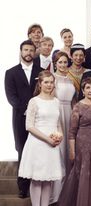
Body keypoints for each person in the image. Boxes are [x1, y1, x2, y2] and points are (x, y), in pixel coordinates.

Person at [58, 77, 91, 206]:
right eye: (87, 88)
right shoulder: (78, 107)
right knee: (84, 176)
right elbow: (72, 132)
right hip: (84, 147)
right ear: (83, 91)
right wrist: (72, 151)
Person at [18, 70, 64, 206]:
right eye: (46, 82)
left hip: (53, 144)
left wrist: (59, 137)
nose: (49, 85)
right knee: (37, 179)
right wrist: (47, 139)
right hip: (38, 143)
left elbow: (58, 124)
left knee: (48, 179)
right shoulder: (34, 101)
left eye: (51, 82)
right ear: (40, 84)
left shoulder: (56, 101)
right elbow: (29, 126)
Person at [4, 40, 42, 198]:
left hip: (40, 118)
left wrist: (36, 111)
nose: (28, 53)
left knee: (39, 150)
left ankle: (39, 184)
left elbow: (45, 91)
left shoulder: (41, 72)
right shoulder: (11, 72)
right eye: (25, 50)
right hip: (20, 118)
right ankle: (23, 187)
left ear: (34, 52)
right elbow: (11, 97)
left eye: (31, 50)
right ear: (21, 51)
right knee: (22, 150)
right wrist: (27, 110)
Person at [51, 52, 75, 203]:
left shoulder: (71, 79)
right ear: (55, 63)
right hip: (57, 112)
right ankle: (55, 194)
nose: (63, 65)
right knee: (58, 151)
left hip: (70, 113)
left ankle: (67, 191)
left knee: (68, 151)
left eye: (65, 62)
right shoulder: (52, 79)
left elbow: (74, 100)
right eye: (60, 62)